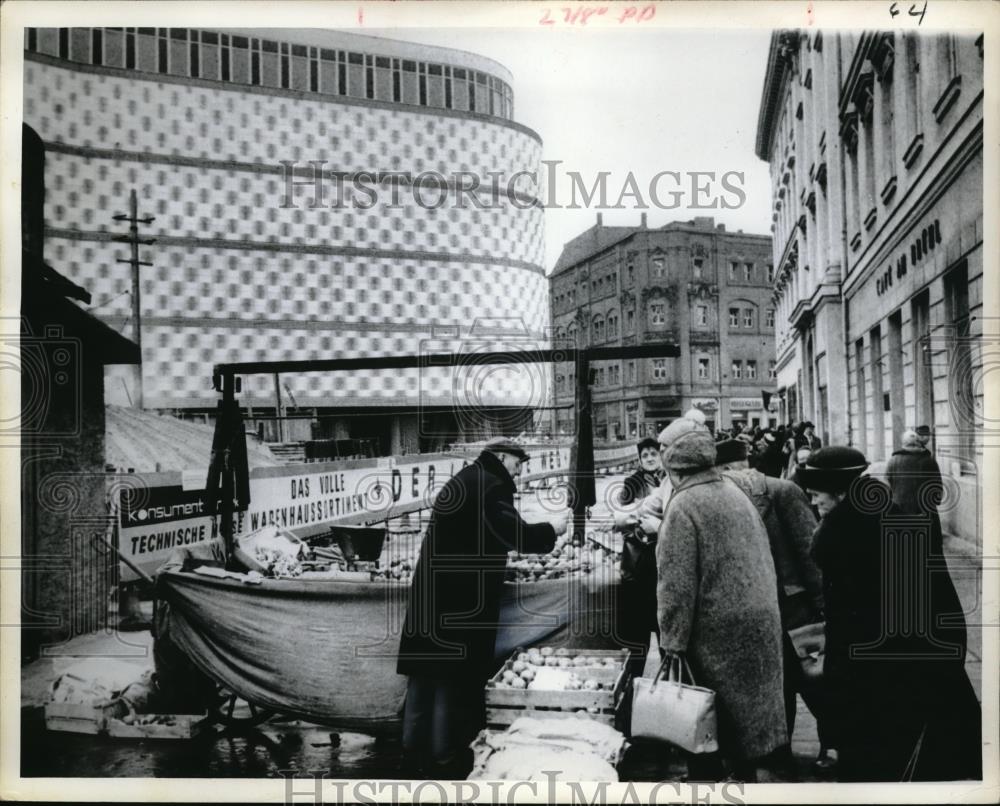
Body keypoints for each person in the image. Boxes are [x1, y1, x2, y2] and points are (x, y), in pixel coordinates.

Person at [802, 447, 981, 782]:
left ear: (840, 492)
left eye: (816, 495)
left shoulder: (847, 537)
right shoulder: (884, 521)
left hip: (886, 681)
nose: (814, 504)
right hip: (908, 674)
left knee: (885, 768)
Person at [397, 438, 570, 778]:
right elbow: (513, 533)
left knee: (424, 677)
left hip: (434, 593)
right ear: (502, 458)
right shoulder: (491, 486)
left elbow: (482, 533)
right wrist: (552, 529)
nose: (519, 473)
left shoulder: (466, 478)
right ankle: (445, 760)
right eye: (518, 465)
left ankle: (411, 754)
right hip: (459, 599)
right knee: (450, 679)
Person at [655, 413, 787, 782]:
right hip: (755, 619)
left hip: (715, 631)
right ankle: (740, 778)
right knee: (745, 720)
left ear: (673, 463)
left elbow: (676, 586)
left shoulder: (683, 505)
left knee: (703, 717)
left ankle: (707, 783)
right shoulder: (733, 492)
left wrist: (672, 642)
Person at [714, 439, 835, 775]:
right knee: (776, 686)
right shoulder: (725, 502)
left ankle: (834, 744)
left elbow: (811, 553)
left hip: (795, 609)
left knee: (816, 683)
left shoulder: (782, 492)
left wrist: (824, 604)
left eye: (730, 469)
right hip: (758, 611)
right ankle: (780, 751)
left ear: (741, 466)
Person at [885, 429, 945, 555]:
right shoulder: (929, 461)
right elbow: (937, 487)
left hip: (899, 513)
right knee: (929, 549)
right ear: (919, 443)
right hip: (925, 513)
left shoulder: (893, 461)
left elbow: (886, 486)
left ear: (903, 443)